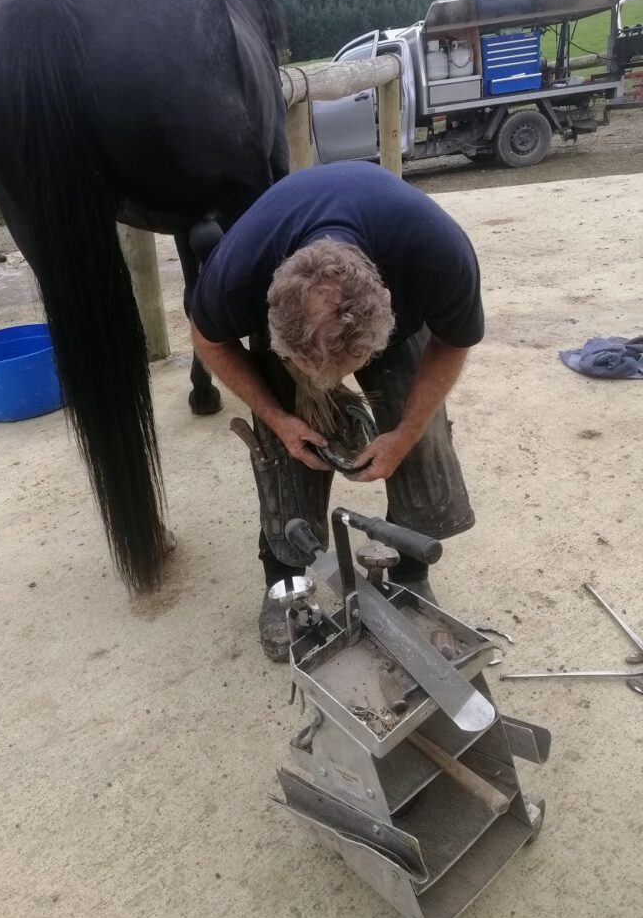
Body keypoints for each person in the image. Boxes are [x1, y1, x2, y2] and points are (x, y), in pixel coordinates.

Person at [189, 161, 484, 660]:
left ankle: (410, 576)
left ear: (390, 306)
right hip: (293, 305)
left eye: (348, 365)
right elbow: (207, 339)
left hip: (388, 282)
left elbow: (453, 343)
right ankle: (284, 581)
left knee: (422, 431)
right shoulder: (239, 272)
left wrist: (405, 433)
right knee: (286, 450)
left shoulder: (437, 255)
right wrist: (279, 420)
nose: (333, 380)